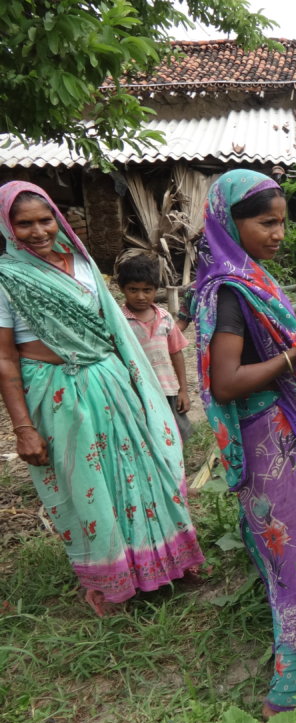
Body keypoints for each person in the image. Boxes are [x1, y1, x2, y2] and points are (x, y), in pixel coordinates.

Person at [0, 181, 205, 616]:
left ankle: (167, 559)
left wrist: (138, 385)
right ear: (7, 227)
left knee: (142, 469)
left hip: (111, 381)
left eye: (45, 219)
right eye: (24, 224)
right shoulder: (7, 279)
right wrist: (23, 427)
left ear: (58, 218)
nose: (38, 231)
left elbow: (110, 329)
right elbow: (5, 359)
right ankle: (111, 581)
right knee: (89, 485)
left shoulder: (84, 265)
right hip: (57, 391)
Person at [192, 169, 296, 716]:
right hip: (266, 436)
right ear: (230, 223)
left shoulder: (251, 275)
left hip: (282, 428)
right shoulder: (230, 290)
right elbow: (226, 382)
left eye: (283, 222)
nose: (279, 233)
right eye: (266, 223)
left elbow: (266, 359)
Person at [117, 255, 193, 441]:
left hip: (167, 389)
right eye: (133, 290)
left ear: (156, 289)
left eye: (147, 290)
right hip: (136, 392)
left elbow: (176, 352)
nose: (140, 296)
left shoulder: (165, 317)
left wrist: (183, 390)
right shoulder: (118, 320)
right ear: (122, 288)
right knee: (146, 437)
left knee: (175, 435)